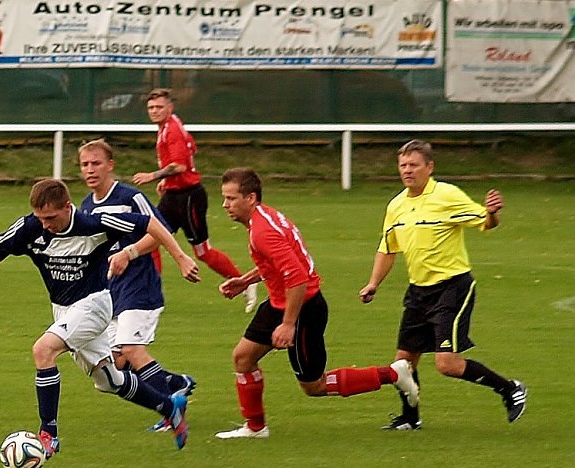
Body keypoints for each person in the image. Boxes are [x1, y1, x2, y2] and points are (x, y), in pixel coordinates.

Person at [0, 179, 200, 455]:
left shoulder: (94, 223)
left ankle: (48, 434)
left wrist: (181, 257)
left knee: (43, 350)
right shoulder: (30, 227)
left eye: (51, 217)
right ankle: (170, 407)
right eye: (40, 218)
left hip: (94, 305)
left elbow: (149, 223)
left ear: (67, 207)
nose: (45, 225)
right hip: (63, 310)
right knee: (109, 380)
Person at [214, 167, 419, 439]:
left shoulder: (263, 230)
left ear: (250, 198)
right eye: (225, 198)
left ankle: (393, 374)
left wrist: (288, 324)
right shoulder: (264, 220)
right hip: (280, 302)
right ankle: (255, 427)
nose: (225, 205)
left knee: (314, 386)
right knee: (243, 357)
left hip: (303, 308)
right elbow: (280, 264)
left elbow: (297, 277)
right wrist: (245, 280)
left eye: (231, 198)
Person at [359, 139, 527, 430]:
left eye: (414, 165)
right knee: (403, 364)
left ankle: (510, 388)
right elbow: (388, 248)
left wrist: (492, 212)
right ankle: (411, 419)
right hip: (418, 291)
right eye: (403, 165)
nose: (407, 170)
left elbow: (486, 222)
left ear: (429, 167)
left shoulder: (447, 195)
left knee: (446, 364)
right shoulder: (397, 205)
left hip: (452, 287)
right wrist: (374, 283)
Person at [78, 139, 196, 433]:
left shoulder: (130, 197)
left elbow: (160, 231)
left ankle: (171, 409)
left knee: (131, 349)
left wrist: (130, 253)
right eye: (85, 165)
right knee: (116, 365)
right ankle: (175, 383)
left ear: (110, 166)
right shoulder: (87, 206)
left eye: (96, 163)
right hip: (111, 291)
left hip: (140, 284)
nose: (90, 170)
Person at [132, 87, 257, 313]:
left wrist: (154, 176)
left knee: (202, 252)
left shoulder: (172, 131)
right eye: (151, 107)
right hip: (174, 195)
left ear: (170, 107)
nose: (154, 111)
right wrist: (168, 182)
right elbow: (187, 158)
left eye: (159, 107)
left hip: (189, 198)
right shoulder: (168, 127)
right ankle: (149, 293)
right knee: (150, 239)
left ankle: (243, 282)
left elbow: (179, 165)